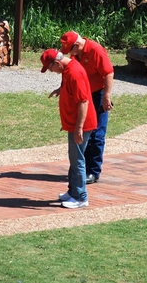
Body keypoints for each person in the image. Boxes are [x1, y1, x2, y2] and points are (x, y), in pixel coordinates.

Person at [41, 49, 97, 209]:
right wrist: (61, 90)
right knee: (74, 158)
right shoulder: (68, 69)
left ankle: (80, 197)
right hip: (75, 124)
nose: (52, 72)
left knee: (77, 159)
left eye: (50, 68)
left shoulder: (74, 73)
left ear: (57, 63)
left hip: (81, 125)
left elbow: (83, 102)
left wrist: (79, 127)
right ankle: (73, 192)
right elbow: (72, 89)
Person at [60, 31, 114, 184]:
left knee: (96, 135)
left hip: (98, 95)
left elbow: (109, 73)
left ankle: (93, 171)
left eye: (70, 50)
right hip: (85, 95)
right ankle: (83, 170)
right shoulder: (76, 53)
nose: (69, 54)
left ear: (76, 45)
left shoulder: (95, 50)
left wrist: (106, 96)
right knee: (86, 133)